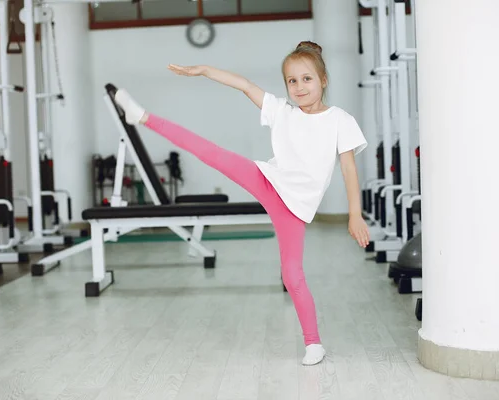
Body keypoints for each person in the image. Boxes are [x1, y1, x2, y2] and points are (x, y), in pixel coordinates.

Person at [113, 41, 370, 366]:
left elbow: (348, 167)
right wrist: (204, 70)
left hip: (295, 209)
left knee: (292, 275)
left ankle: (313, 343)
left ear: (323, 80)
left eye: (307, 79)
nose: (299, 87)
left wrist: (355, 214)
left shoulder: (340, 120)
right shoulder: (282, 111)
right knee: (211, 153)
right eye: (292, 81)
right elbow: (245, 85)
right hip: (268, 180)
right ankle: (144, 117)